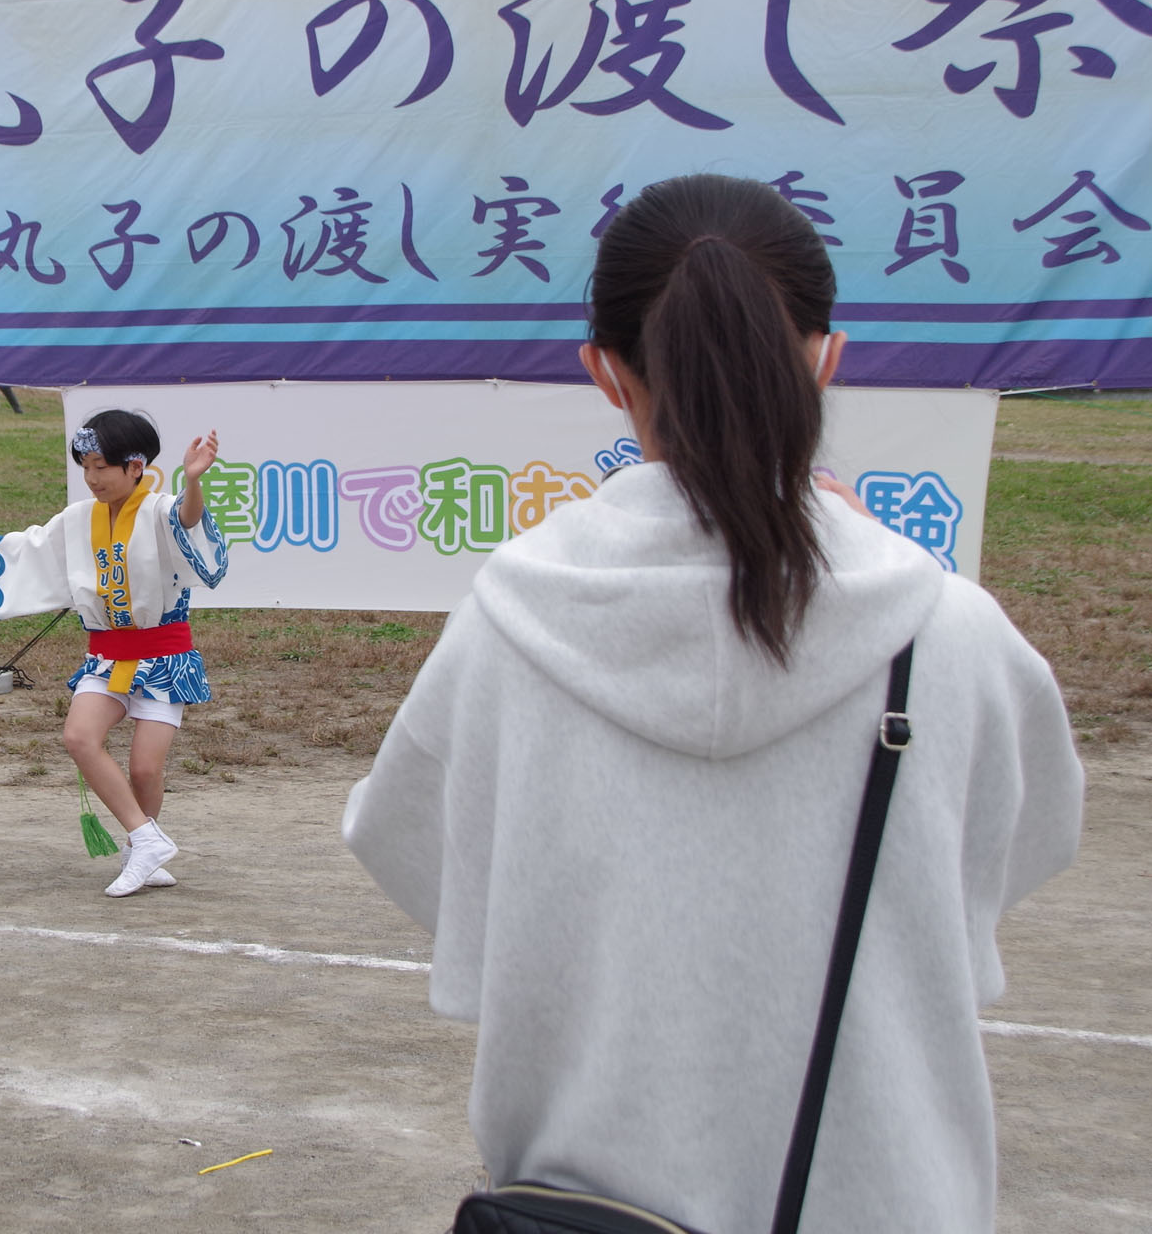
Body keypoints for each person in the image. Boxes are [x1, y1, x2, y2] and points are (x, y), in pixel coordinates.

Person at [342, 174, 1082, 1233]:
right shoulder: (946, 627)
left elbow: (409, 842)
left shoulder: (509, 621)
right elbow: (1021, 842)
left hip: (591, 1204)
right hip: (891, 1195)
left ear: (604, 371)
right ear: (828, 355)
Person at [0, 410, 226, 896]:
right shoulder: (78, 518)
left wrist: (193, 482)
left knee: (146, 769)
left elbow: (187, 522)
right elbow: (26, 549)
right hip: (106, 657)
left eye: (101, 467)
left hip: (164, 657)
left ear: (135, 467)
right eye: (85, 466)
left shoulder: (159, 509)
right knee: (79, 736)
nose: (92, 478)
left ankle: (140, 850)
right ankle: (147, 839)